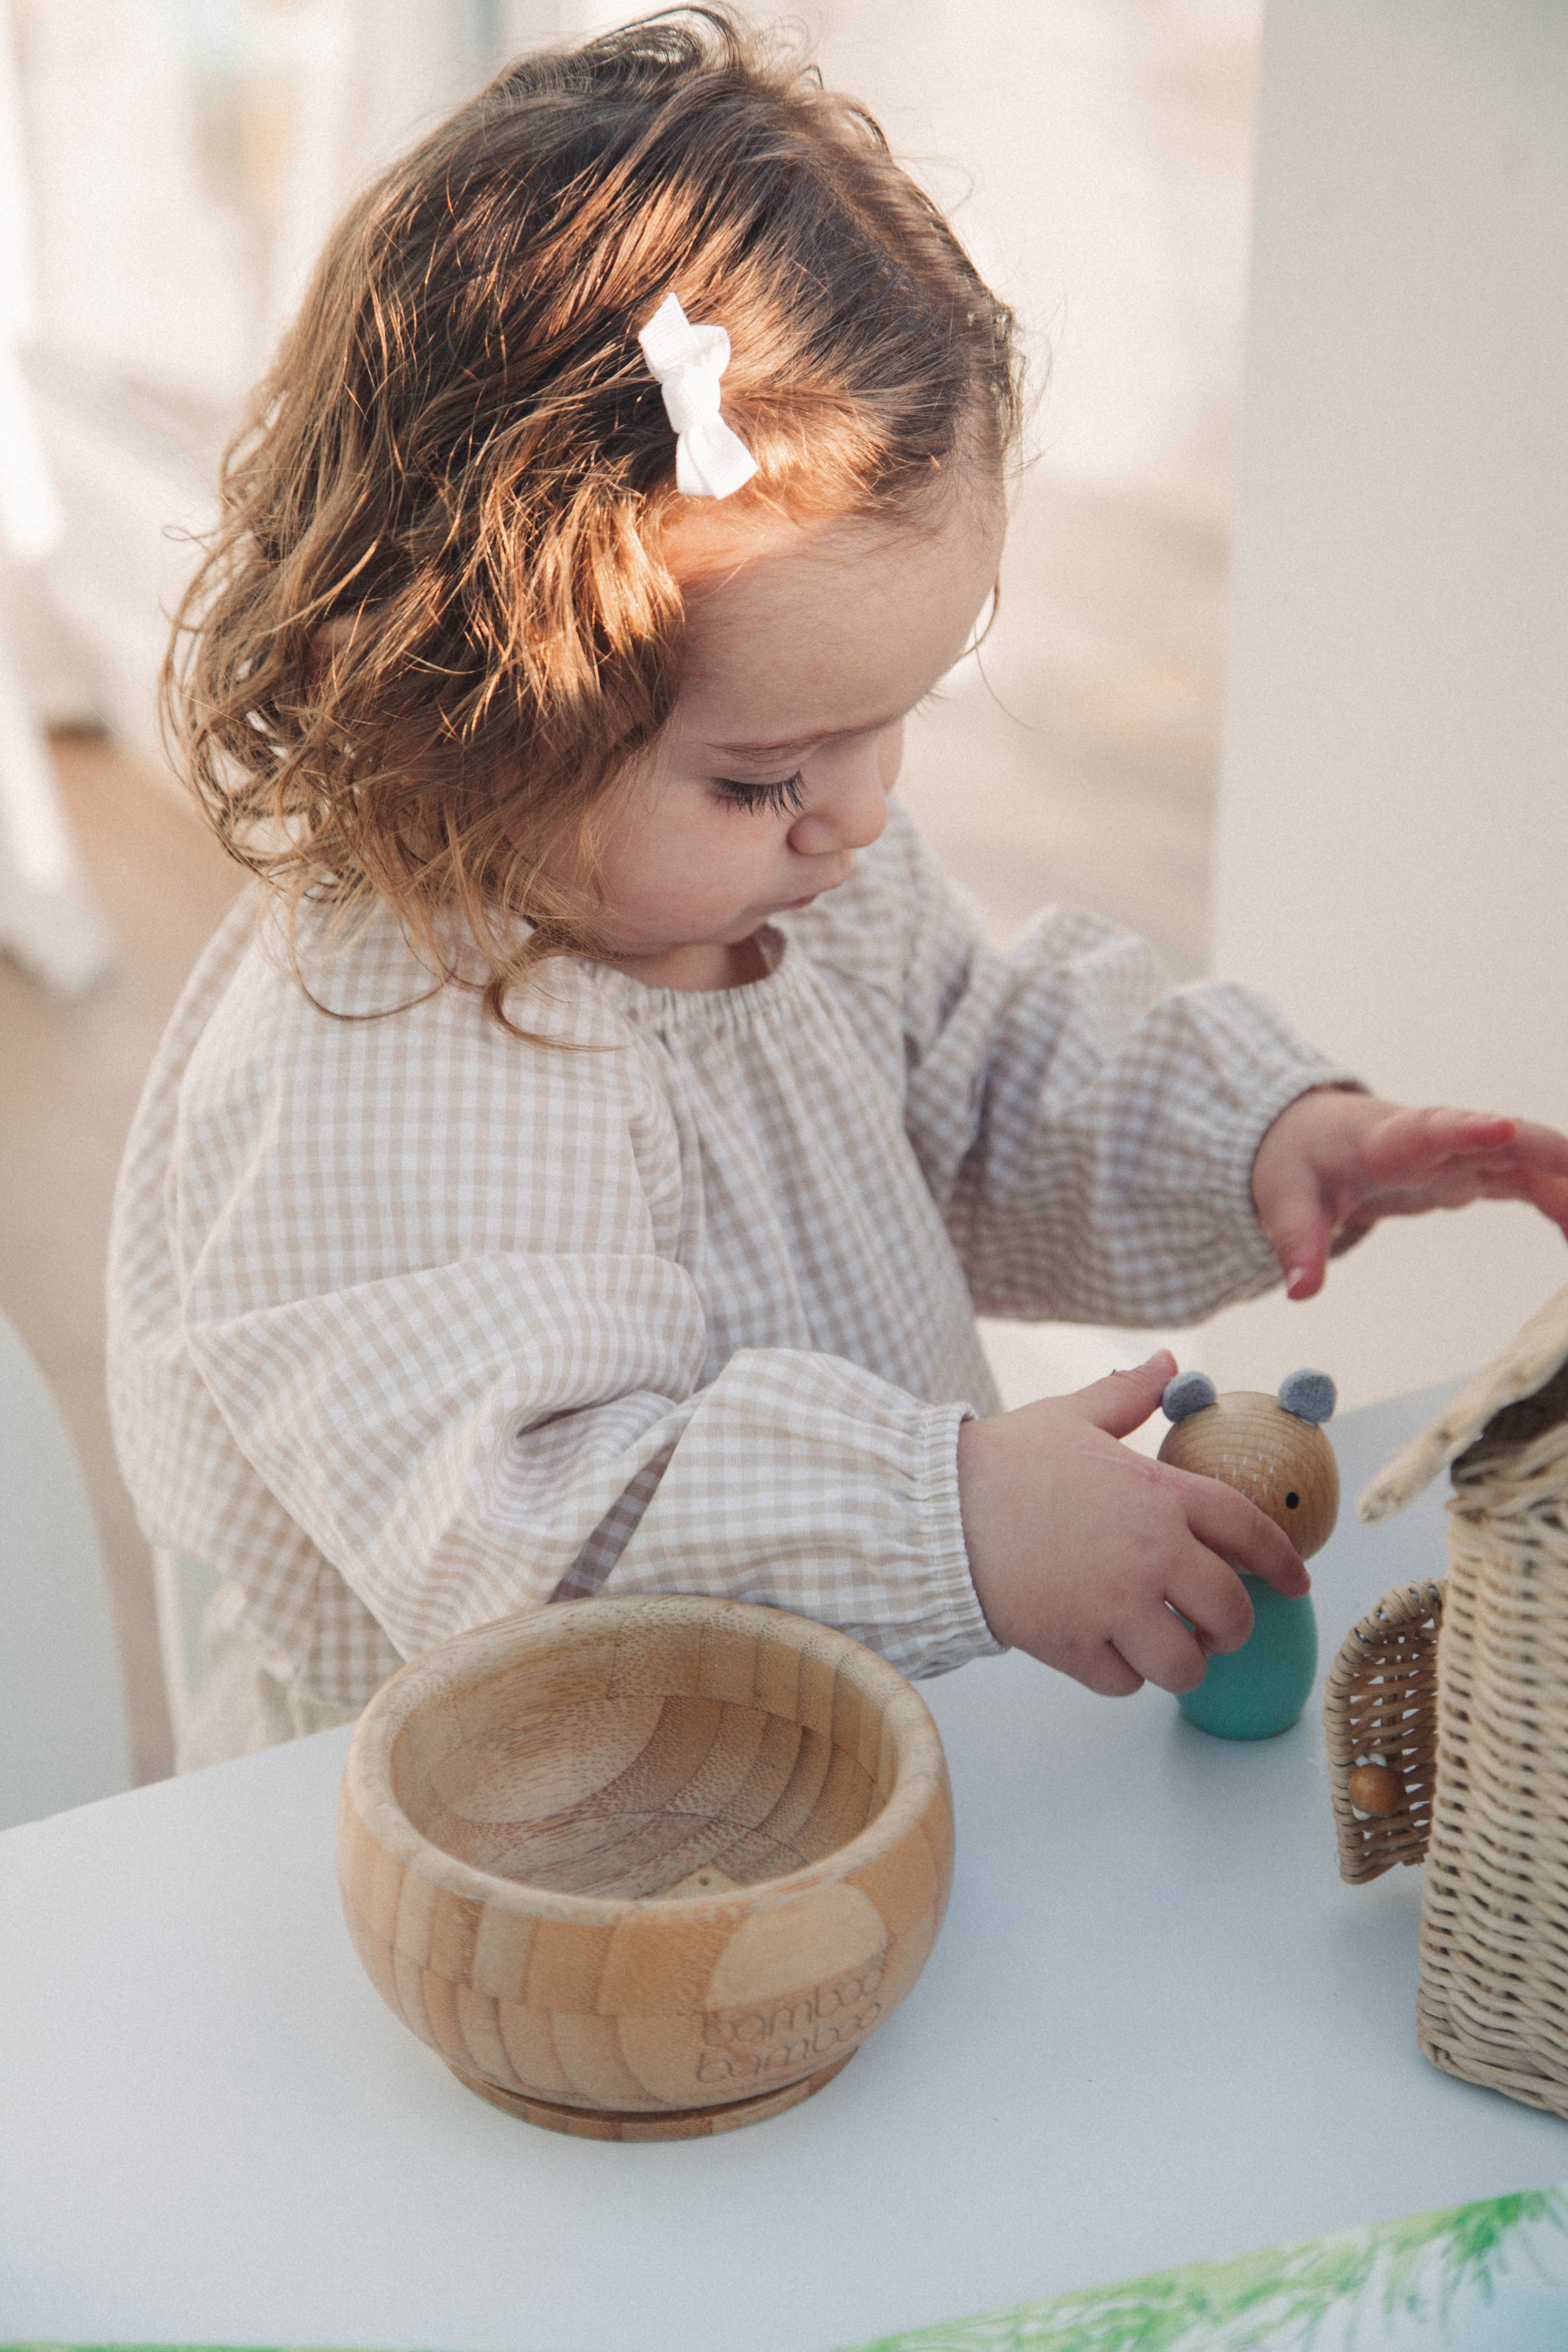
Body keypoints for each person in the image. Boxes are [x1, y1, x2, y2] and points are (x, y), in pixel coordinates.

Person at [108, 8, 1568, 1769]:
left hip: (822, 1779)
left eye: (892, 728)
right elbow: (548, 1541)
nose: (858, 819)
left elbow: (989, 1076)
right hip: (503, 1864)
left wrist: (1254, 1137)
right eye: (767, 773)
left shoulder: (787, 881)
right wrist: (951, 1520)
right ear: (473, 706)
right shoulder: (379, 1057)